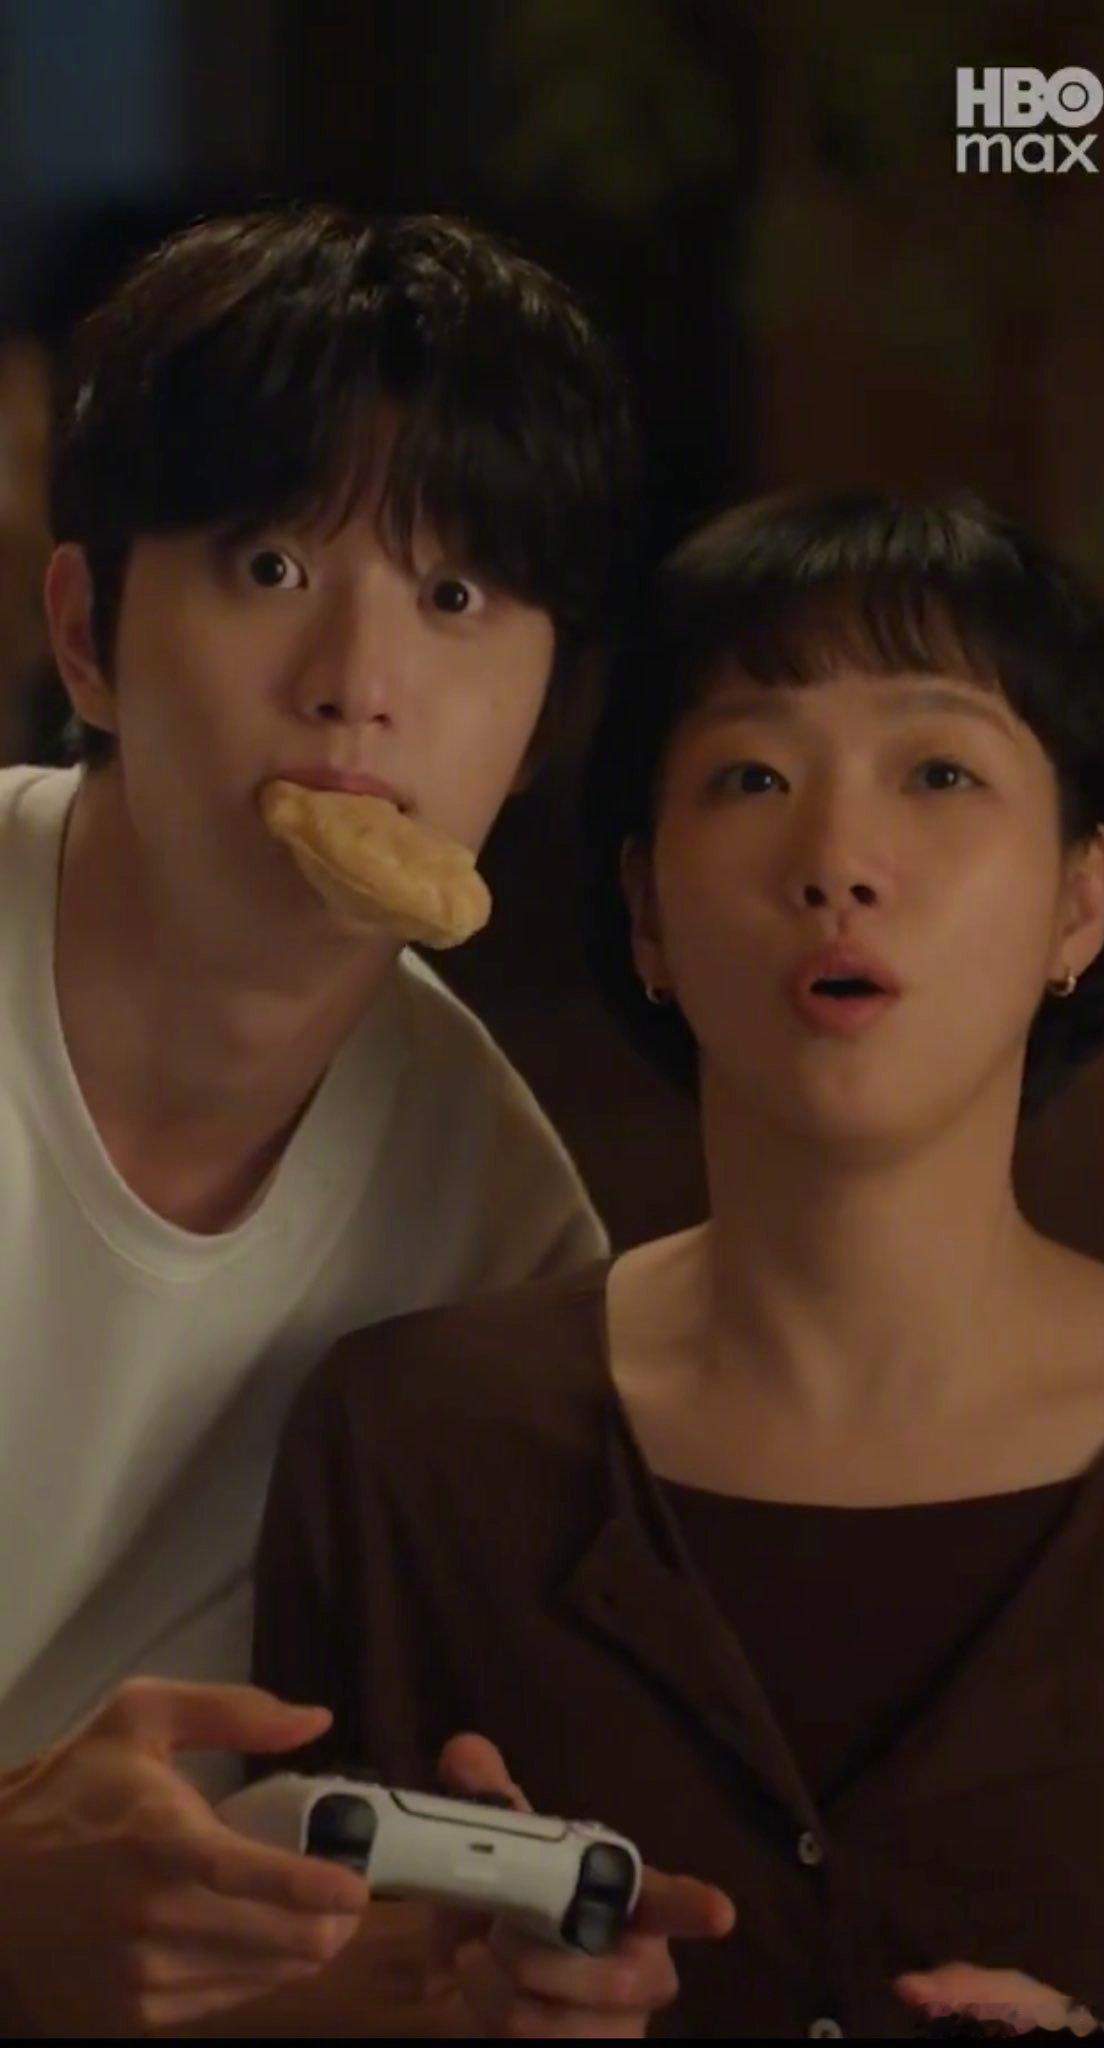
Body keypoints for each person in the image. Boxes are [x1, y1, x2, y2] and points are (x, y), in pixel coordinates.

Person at [253, 490, 1104, 2038]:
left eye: (939, 773)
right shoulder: (412, 1445)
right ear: (645, 911)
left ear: (1082, 898)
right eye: (752, 776)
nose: (838, 860)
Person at [0, 203, 639, 2035]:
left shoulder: (505, 1241)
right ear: (88, 636)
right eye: (271, 563)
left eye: (455, 598)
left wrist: (412, 1978)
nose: (360, 681)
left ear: (542, 717)